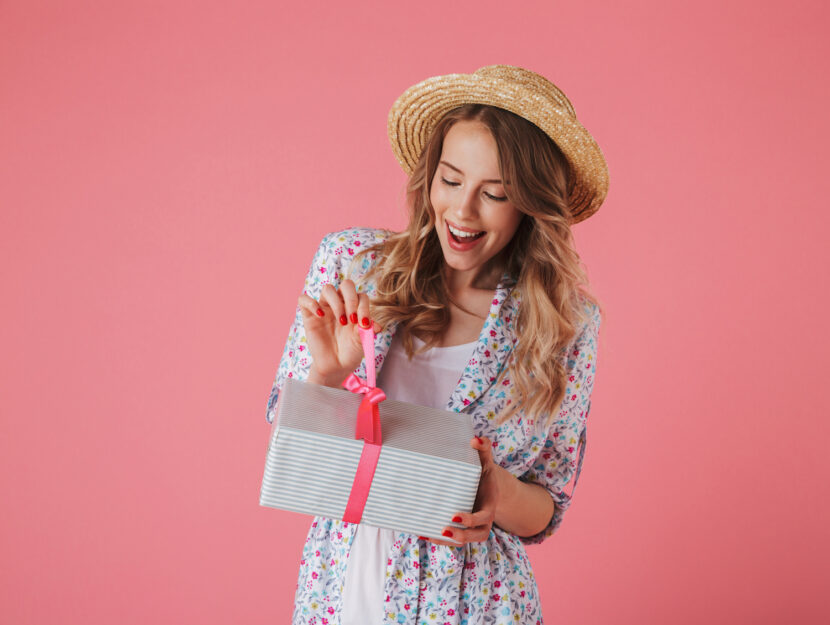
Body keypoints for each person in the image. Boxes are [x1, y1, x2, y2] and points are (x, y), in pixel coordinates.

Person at [265, 64, 608, 625]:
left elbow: (547, 505)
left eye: (494, 193)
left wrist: (496, 491)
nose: (463, 212)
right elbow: (294, 456)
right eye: (451, 181)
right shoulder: (354, 267)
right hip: (343, 585)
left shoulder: (564, 324)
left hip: (477, 601)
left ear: (529, 204)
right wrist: (328, 379)